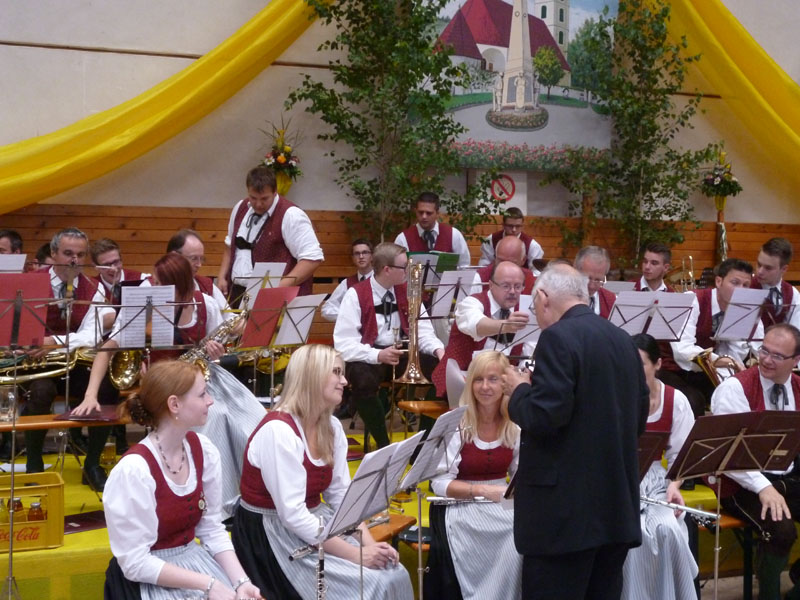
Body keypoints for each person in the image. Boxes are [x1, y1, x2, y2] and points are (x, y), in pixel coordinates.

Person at [503, 264, 648, 599]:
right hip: (614, 508)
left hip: (564, 517)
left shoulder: (556, 337)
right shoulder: (623, 340)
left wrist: (519, 390)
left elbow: (544, 417)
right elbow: (638, 419)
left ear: (543, 297)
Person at [232, 344, 412, 600]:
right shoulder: (279, 432)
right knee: (368, 585)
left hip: (314, 522)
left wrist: (371, 546)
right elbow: (293, 516)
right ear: (312, 377)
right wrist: (357, 555)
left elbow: (341, 496)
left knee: (394, 573)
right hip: (272, 535)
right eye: (337, 373)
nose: (345, 381)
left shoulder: (332, 426)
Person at [103, 360, 264, 600]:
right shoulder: (134, 470)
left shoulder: (203, 450)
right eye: (202, 394)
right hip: (149, 578)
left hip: (196, 565)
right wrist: (208, 584)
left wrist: (242, 582)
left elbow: (211, 528)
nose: (210, 401)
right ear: (174, 404)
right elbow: (135, 563)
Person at [710, 323, 800, 600]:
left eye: (777, 356)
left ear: (796, 361)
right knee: (781, 529)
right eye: (764, 350)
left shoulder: (798, 387)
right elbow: (730, 453)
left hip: (785, 478)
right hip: (740, 483)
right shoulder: (735, 389)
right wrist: (763, 487)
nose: (766, 360)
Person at [22, 227, 116, 490]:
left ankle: (93, 463)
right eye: (67, 253)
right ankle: (33, 461)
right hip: (36, 364)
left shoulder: (93, 288)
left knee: (108, 386)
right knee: (41, 391)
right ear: (53, 253)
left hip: (74, 364)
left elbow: (92, 335)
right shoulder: (29, 282)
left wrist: (54, 342)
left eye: (80, 255)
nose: (74, 260)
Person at [425, 351, 522, 600]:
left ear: (505, 384)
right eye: (478, 379)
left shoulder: (514, 425)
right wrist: (483, 490)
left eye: (493, 379)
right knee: (505, 534)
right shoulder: (456, 423)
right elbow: (439, 483)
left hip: (500, 500)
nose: (485, 387)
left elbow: (520, 474)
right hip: (460, 503)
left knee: (522, 533)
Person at [334, 242, 444, 448]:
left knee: (442, 372)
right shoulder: (355, 294)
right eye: (404, 267)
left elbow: (424, 332)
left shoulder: (409, 291)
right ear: (387, 269)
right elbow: (344, 344)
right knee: (361, 379)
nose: (408, 271)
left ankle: (423, 443)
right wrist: (377, 355)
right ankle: (384, 444)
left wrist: (438, 350)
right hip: (369, 355)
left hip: (402, 353)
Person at [621, 334, 697, 600]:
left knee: (668, 530)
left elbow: (682, 456)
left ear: (658, 364)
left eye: (640, 364)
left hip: (656, 480)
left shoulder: (676, 400)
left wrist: (674, 486)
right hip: (619, 478)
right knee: (630, 534)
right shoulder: (614, 397)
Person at [670, 257, 763, 417]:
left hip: (707, 372)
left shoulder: (743, 308)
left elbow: (734, 352)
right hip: (674, 369)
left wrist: (734, 380)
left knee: (738, 398)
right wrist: (721, 361)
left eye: (746, 285)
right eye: (735, 283)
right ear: (719, 281)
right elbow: (682, 350)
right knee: (693, 401)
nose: (741, 290)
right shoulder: (692, 299)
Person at [218, 166, 323, 304]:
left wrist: (277, 288)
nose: (258, 204)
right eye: (253, 198)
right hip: (236, 292)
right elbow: (230, 246)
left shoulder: (291, 215)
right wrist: (222, 276)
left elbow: (312, 259)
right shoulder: (240, 208)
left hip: (276, 297)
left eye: (264, 198)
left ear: (275, 192)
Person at [431, 261, 534, 398]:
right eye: (506, 286)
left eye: (518, 286)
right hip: (458, 386)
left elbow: (529, 352)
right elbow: (478, 325)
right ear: (491, 285)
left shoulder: (525, 310)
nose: (512, 292)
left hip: (501, 392)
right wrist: (506, 325)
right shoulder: (471, 303)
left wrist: (523, 375)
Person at [393, 192, 470, 268]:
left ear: (437, 213)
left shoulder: (454, 234)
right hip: (414, 277)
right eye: (420, 212)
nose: (424, 216)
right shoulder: (403, 238)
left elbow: (464, 266)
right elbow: (397, 269)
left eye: (428, 213)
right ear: (416, 211)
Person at [166, 229, 230, 316]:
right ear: (174, 256)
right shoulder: (153, 285)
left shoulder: (206, 286)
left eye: (201, 259)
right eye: (194, 258)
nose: (199, 265)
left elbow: (229, 316)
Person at [91, 238, 148, 330]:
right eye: (106, 265)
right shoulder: (91, 287)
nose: (113, 269)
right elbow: (95, 322)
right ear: (96, 266)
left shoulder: (142, 279)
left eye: (116, 262)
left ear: (121, 260)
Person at [321, 238, 374, 322]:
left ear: (372, 256)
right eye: (357, 253)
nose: (361, 257)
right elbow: (327, 308)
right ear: (352, 258)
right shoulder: (346, 283)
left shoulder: (381, 280)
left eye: (365, 252)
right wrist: (348, 316)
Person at [478, 207, 543, 273]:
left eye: (518, 226)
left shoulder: (532, 245)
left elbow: (536, 272)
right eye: (510, 226)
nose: (514, 230)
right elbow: (484, 266)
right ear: (503, 225)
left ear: (522, 226)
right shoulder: (491, 240)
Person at [755, 237, 800, 330]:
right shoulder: (745, 286)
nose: (760, 271)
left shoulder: (793, 294)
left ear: (784, 269)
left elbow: (795, 332)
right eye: (759, 264)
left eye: (768, 268)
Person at [574, 246, 616, 318]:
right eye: (587, 278)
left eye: (598, 280)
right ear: (575, 270)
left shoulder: (611, 300)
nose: (592, 286)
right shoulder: (561, 298)